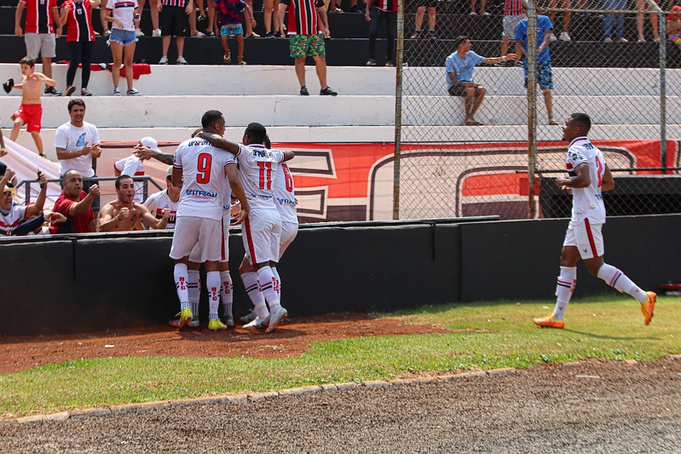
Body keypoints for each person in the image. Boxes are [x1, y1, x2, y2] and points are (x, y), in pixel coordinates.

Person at [533, 113, 657, 329]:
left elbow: (584, 179)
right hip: (586, 211)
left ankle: (644, 297)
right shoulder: (594, 150)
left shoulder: (576, 149)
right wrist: (587, 188)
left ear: (577, 130)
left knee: (596, 267)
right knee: (567, 258)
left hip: (586, 213)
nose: (563, 127)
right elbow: (608, 182)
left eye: (567, 124)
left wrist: (564, 181)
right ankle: (557, 317)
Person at [199, 122, 295, 333]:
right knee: (268, 264)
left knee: (260, 264)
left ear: (245, 137)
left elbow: (221, 142)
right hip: (274, 214)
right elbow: (291, 153)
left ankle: (275, 308)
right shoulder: (274, 155)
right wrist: (277, 153)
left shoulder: (246, 152)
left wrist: (202, 134)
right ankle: (264, 313)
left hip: (256, 214)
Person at [170, 110, 250, 330]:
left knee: (181, 261)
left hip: (187, 209)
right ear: (216, 127)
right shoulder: (225, 151)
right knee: (214, 265)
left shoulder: (184, 146)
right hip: (214, 212)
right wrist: (244, 204)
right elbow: (234, 180)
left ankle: (186, 306)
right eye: (223, 126)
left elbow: (176, 181)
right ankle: (215, 318)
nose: (224, 129)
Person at [239, 137, 298, 328]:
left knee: (256, 266)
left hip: (272, 218)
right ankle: (267, 312)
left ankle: (269, 311)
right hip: (288, 220)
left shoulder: (267, 164)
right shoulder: (280, 164)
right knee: (268, 265)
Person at [445, 36, 516, 126]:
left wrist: (505, 58)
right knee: (471, 90)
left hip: (469, 84)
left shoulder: (471, 55)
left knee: (482, 90)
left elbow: (487, 60)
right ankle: (467, 116)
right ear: (462, 45)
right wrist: (465, 84)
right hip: (456, 86)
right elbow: (453, 81)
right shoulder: (451, 59)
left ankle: (471, 116)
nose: (470, 45)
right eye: (468, 43)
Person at [279, 0, 338, 96]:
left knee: (321, 58)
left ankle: (324, 87)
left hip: (315, 31)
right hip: (297, 31)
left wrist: (326, 27)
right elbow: (281, 7)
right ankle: (303, 87)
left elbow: (321, 9)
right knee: (300, 58)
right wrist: (281, 23)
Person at [55, 98, 102, 212]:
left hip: (88, 176)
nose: (79, 113)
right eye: (75, 110)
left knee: (94, 212)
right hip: (70, 178)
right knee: (72, 212)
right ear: (70, 112)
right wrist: (81, 152)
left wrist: (97, 152)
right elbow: (60, 154)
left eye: (81, 110)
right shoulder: (63, 130)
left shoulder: (92, 128)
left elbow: (97, 149)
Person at [515, 12, 559, 125]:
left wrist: (540, 48)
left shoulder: (544, 19)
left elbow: (547, 36)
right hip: (529, 62)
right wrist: (526, 54)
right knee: (531, 89)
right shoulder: (522, 24)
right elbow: (519, 42)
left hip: (544, 59)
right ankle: (532, 117)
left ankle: (550, 117)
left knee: (547, 89)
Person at [8, 57, 56, 158]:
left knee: (34, 133)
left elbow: (52, 83)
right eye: (22, 67)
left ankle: (42, 153)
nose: (23, 69)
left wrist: (41, 79)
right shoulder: (24, 78)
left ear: (32, 68)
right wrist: (13, 86)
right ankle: (9, 147)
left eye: (25, 67)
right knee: (17, 123)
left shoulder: (37, 76)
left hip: (35, 108)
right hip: (24, 107)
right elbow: (24, 86)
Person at [14, 0, 62, 96]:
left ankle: (49, 88)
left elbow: (54, 11)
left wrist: (59, 26)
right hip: (32, 29)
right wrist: (17, 25)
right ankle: (27, 86)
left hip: (49, 30)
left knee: (48, 59)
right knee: (31, 60)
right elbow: (20, 8)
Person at [99, 175, 169, 231]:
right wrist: (118, 218)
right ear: (117, 191)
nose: (129, 190)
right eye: (125, 187)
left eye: (132, 186)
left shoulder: (138, 208)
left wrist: (165, 218)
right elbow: (101, 228)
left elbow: (157, 226)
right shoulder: (109, 208)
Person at [60, 0, 100, 97]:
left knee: (87, 62)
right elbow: (62, 22)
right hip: (74, 37)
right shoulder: (66, 4)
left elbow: (98, 2)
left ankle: (84, 88)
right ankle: (68, 86)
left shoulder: (87, 2)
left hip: (88, 36)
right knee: (75, 60)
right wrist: (65, 12)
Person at [104, 0, 142, 95]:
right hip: (117, 31)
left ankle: (130, 88)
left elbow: (136, 13)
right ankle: (116, 88)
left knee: (129, 62)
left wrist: (137, 18)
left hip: (130, 31)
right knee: (117, 61)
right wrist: (116, 20)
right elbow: (105, 16)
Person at [0, 168, 48, 236]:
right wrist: (5, 178)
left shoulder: (17, 210)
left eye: (10, 194)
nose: (8, 197)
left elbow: (37, 207)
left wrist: (44, 187)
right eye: (4, 194)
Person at [50, 169, 100, 233]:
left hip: (85, 241)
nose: (77, 183)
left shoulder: (83, 194)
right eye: (73, 180)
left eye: (80, 180)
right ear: (64, 185)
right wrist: (91, 196)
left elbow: (91, 220)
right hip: (66, 241)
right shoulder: (62, 202)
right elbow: (78, 210)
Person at [114, 137, 158, 203]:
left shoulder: (133, 159)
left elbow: (117, 166)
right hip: (135, 201)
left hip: (136, 200)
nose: (152, 155)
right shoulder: (135, 161)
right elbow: (123, 181)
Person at [216, 0, 253, 65]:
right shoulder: (219, 1)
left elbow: (246, 6)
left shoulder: (237, 0)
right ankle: (227, 52)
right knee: (223, 38)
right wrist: (216, 26)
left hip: (236, 21)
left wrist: (252, 18)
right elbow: (216, 12)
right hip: (225, 22)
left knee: (240, 38)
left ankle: (240, 58)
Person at [157, 0, 193, 65]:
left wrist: (190, 3)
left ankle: (180, 56)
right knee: (166, 32)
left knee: (180, 33)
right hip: (166, 4)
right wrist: (159, 2)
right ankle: (164, 56)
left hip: (181, 5)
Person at [365, 0, 397, 66]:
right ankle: (371, 58)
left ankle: (389, 60)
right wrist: (367, 10)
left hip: (392, 10)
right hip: (378, 8)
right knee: (373, 31)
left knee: (391, 34)